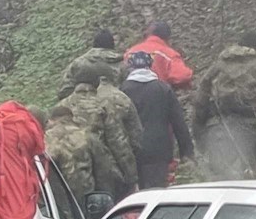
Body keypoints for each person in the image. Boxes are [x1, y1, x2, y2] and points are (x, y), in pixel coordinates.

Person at [193, 30, 256, 179]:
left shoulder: (219, 65)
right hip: (250, 129)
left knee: (221, 179)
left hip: (218, 129)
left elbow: (201, 98)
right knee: (247, 178)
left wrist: (198, 130)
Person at [63, 35, 141, 196]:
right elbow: (120, 142)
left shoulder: (78, 64)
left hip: (72, 168)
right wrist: (132, 176)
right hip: (107, 167)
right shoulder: (122, 66)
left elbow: (63, 90)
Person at [122, 50, 194, 190]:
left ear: (130, 67)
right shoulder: (163, 89)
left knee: (133, 196)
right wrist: (187, 152)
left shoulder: (123, 90)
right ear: (151, 66)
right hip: (159, 150)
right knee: (155, 192)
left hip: (131, 151)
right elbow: (178, 122)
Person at [40, 101, 99, 210]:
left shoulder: (45, 139)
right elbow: (103, 168)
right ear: (71, 118)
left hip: (59, 203)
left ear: (52, 120)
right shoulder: (87, 135)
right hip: (88, 196)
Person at [127, 20, 195, 91]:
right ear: (167, 38)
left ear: (147, 35)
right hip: (157, 95)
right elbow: (182, 76)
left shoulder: (130, 51)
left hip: (128, 94)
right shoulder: (169, 54)